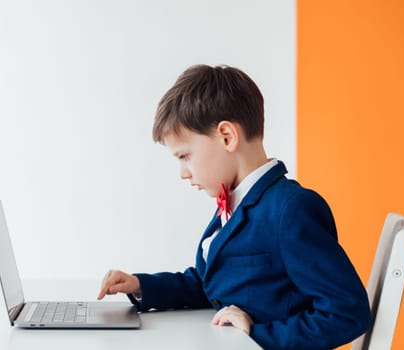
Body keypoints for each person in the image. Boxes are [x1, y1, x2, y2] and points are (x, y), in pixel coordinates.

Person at [97, 64, 371, 349]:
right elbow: (209, 283)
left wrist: (255, 334)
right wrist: (142, 287)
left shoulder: (290, 210)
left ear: (227, 136)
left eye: (185, 156)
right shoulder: (235, 203)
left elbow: (346, 312)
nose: (183, 172)